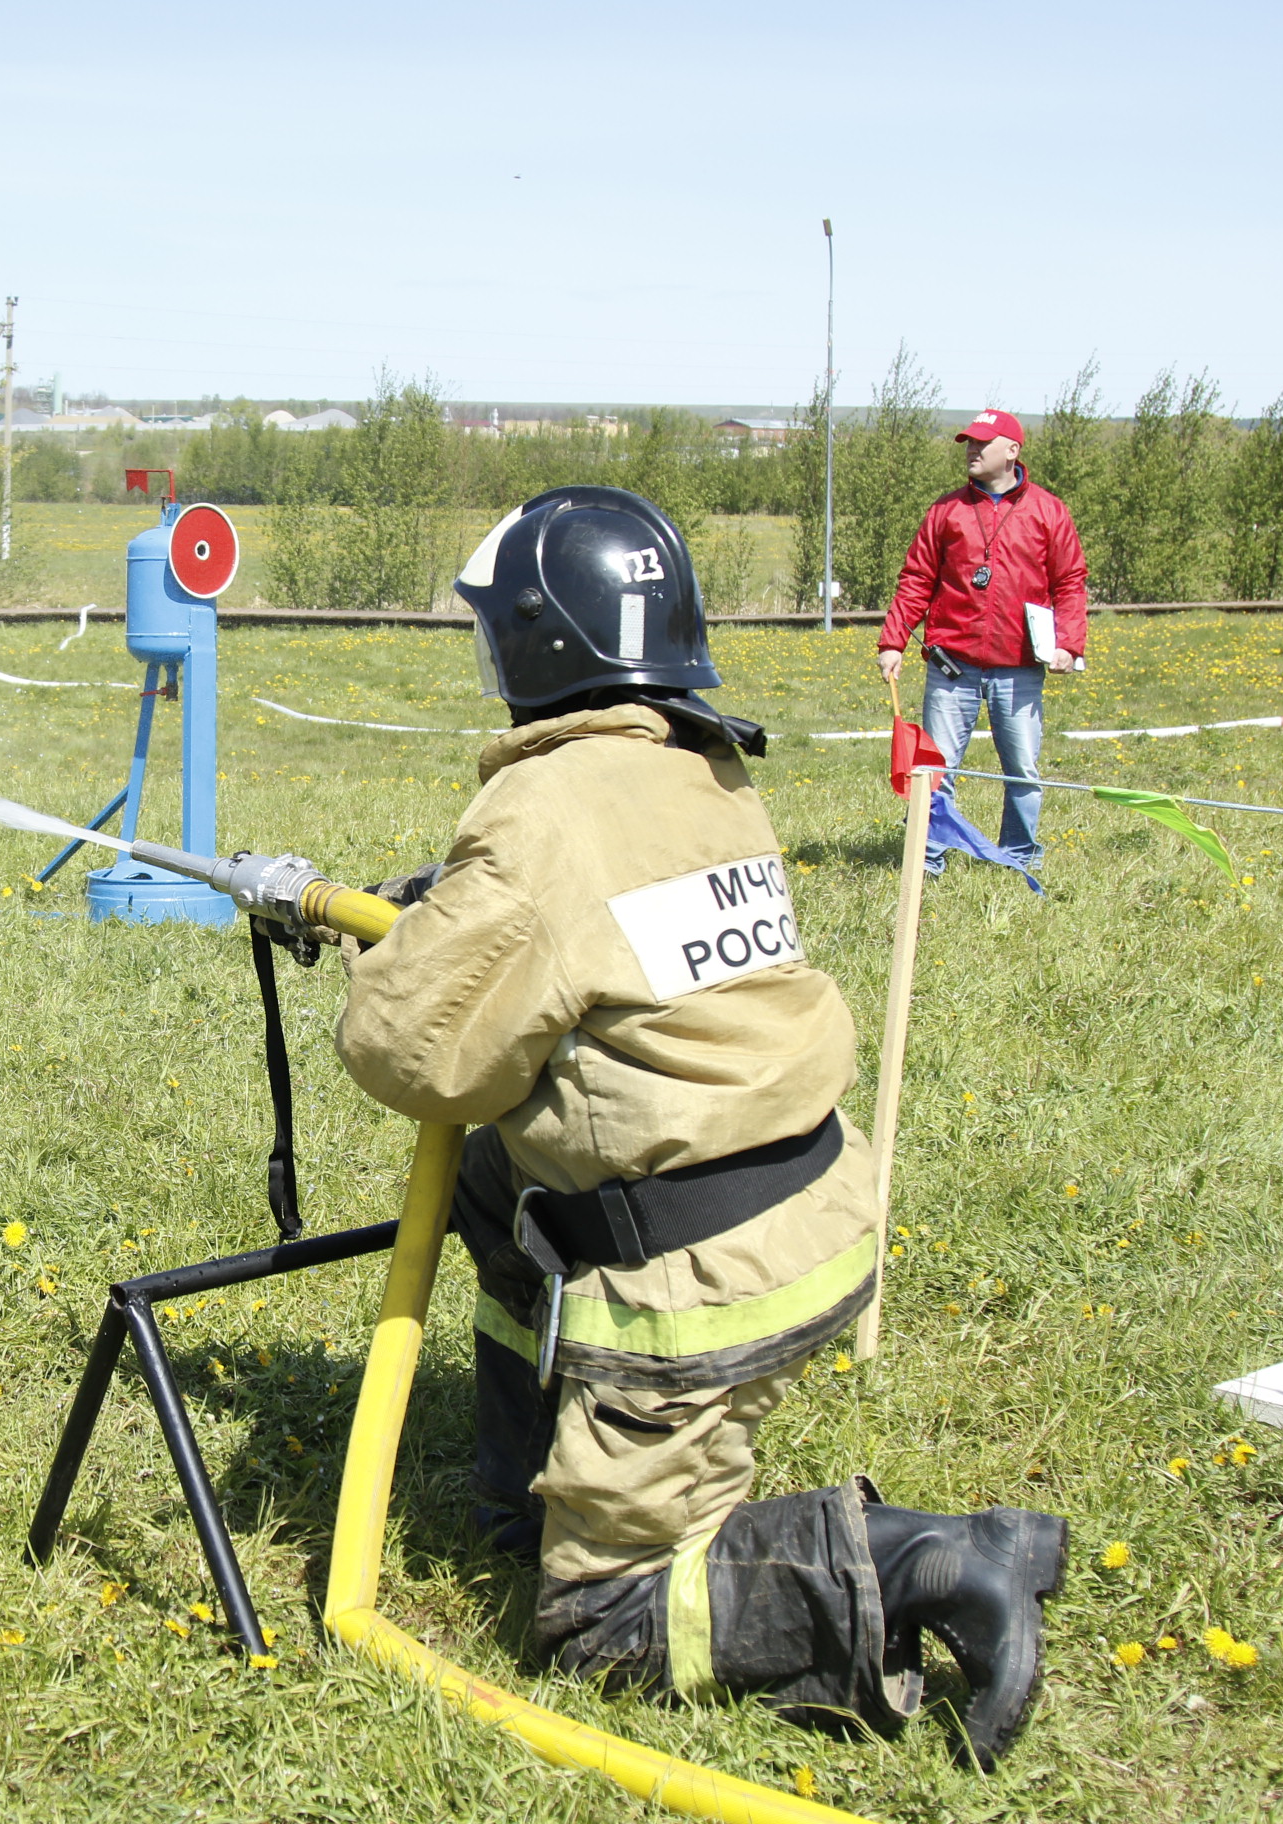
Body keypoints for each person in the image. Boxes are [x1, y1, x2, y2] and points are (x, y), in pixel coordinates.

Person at [333, 486, 1066, 1771]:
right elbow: (608, 950)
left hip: (703, 1286)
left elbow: (409, 1050)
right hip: (819, 1206)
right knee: (501, 1177)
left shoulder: (540, 810)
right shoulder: (699, 763)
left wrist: (405, 944)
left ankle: (936, 1564)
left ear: (538, 640)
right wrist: (457, 913)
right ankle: (524, 1479)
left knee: (603, 1622)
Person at [877, 408, 1089, 875]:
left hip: (1019, 668)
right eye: (969, 443)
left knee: (1022, 773)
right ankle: (926, 861)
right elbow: (916, 579)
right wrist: (893, 641)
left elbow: (1071, 583)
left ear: (1012, 451)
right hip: (953, 665)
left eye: (982, 443)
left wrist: (1069, 645)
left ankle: (1018, 860)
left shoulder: (1049, 511)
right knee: (934, 772)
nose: (972, 451)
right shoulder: (946, 510)